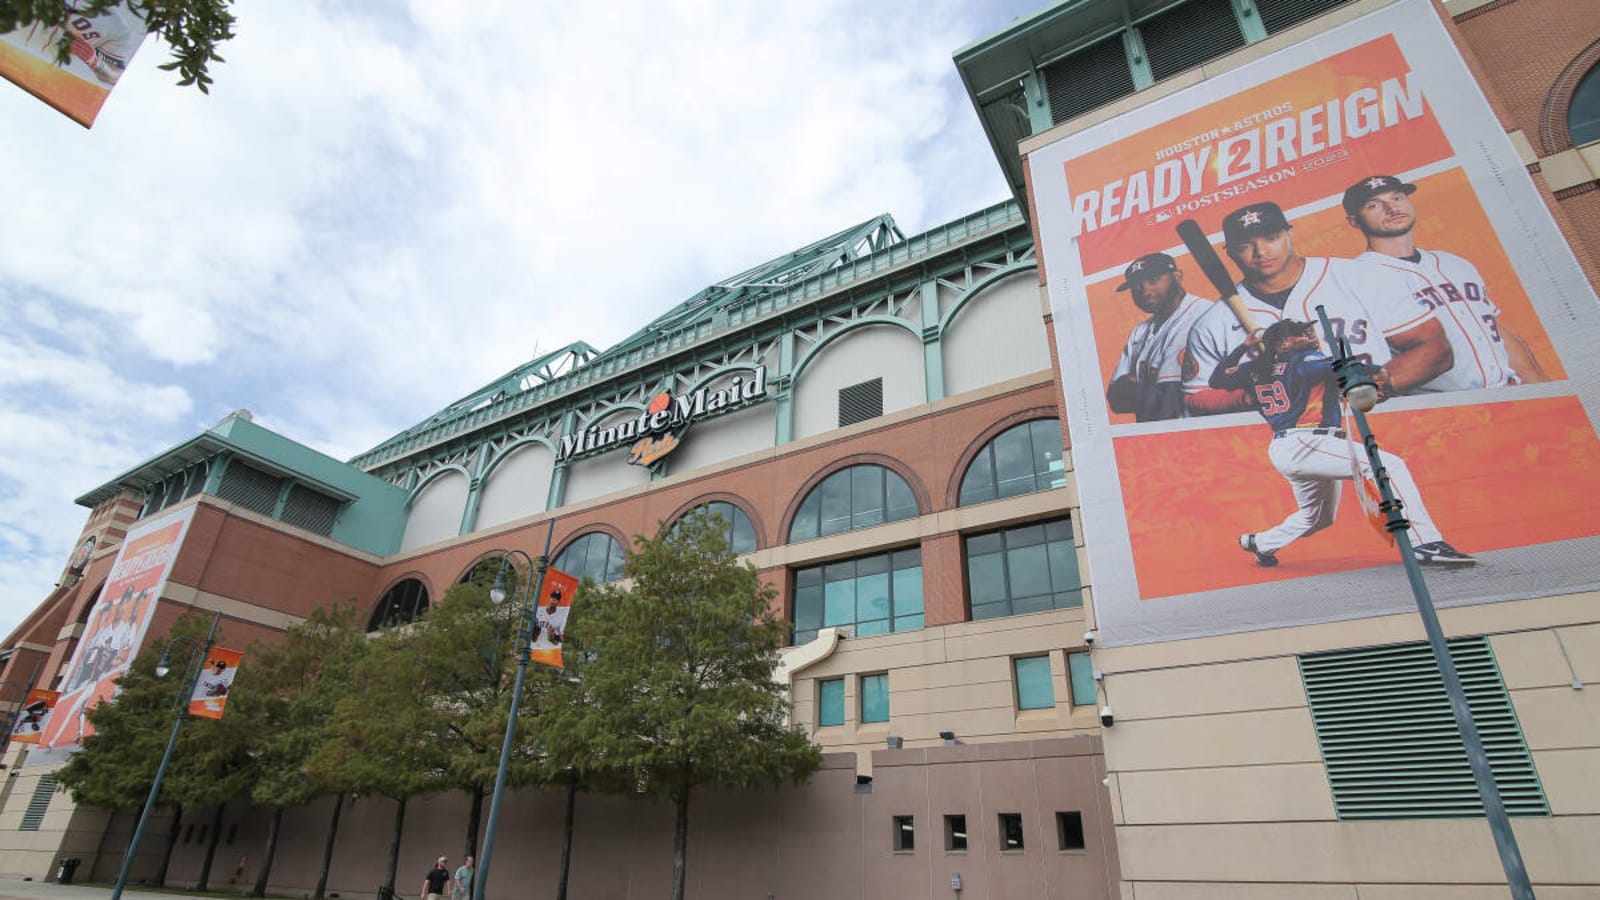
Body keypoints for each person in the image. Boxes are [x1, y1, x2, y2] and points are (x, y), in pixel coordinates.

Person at [1210, 319, 1474, 567]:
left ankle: (1260, 543)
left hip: (1294, 447)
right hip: (1306, 442)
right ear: (1282, 345)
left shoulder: (1253, 369)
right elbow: (1331, 366)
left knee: (1317, 518)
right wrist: (1374, 373)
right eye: (1300, 334)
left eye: (1309, 331)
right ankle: (1425, 542)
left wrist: (1243, 348)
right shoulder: (1303, 358)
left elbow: (1217, 379)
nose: (1310, 335)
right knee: (1388, 465)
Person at [1182, 201, 1454, 415]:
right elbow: (1196, 397)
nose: (1261, 252)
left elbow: (1435, 349)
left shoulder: (1358, 277)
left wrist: (1382, 381)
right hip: (1284, 440)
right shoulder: (1212, 323)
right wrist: (1253, 397)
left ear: (1290, 234)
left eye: (1271, 238)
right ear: (1229, 252)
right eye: (1245, 246)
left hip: (1376, 418)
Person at [1344, 173, 1547, 389]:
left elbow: (1494, 329)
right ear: (1355, 221)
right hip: (1447, 408)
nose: (1391, 208)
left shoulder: (1455, 264)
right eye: (1374, 205)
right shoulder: (1358, 277)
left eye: (1397, 197)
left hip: (1510, 394)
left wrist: (1539, 385)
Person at [1104, 252, 1212, 421]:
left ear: (1177, 276)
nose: (1145, 291)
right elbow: (1115, 400)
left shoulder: (1203, 316)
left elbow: (1170, 401)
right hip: (1156, 439)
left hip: (1199, 434)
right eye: (1136, 286)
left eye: (1153, 280)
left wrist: (1134, 384)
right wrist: (1149, 391)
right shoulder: (1140, 332)